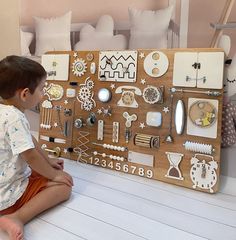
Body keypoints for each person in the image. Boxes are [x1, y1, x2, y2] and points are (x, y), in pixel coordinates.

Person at [0, 55, 73, 240]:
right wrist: (53, 175)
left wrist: (48, 160)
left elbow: (29, 140)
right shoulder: (15, 117)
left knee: (46, 172)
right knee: (64, 186)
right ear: (25, 94)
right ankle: (16, 217)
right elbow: (30, 156)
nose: (43, 94)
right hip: (7, 195)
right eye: (41, 89)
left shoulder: (4, 111)